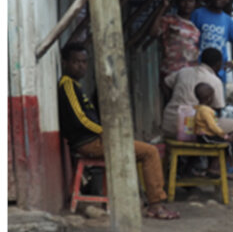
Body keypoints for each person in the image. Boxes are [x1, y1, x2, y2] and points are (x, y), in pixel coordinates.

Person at [57, 42, 179, 220]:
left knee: (144, 149)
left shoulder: (76, 85)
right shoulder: (68, 85)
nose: (81, 66)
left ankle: (149, 200)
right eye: (76, 62)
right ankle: (156, 205)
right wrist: (105, 132)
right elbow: (80, 118)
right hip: (88, 143)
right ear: (65, 62)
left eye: (84, 62)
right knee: (149, 152)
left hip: (94, 140)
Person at [161, 48, 233, 139]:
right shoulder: (215, 81)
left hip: (169, 125)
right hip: (193, 131)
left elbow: (165, 83)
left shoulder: (184, 71)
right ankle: (224, 149)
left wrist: (169, 101)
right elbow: (218, 110)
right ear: (218, 64)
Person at [150, 0, 200, 103]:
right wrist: (162, 8)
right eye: (184, 1)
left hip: (189, 74)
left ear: (195, 4)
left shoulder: (195, 27)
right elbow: (153, 33)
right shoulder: (169, 20)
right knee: (171, 104)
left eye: (190, 1)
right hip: (170, 72)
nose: (187, 4)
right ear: (178, 2)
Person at [190, 0, 233, 86]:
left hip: (219, 73)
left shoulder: (228, 21)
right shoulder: (197, 14)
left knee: (217, 100)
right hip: (198, 69)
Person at [193, 82, 233, 176]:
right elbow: (212, 126)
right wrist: (223, 134)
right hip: (206, 137)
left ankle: (216, 166)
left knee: (225, 142)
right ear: (209, 98)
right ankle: (225, 165)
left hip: (204, 136)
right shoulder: (205, 111)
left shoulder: (200, 108)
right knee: (229, 144)